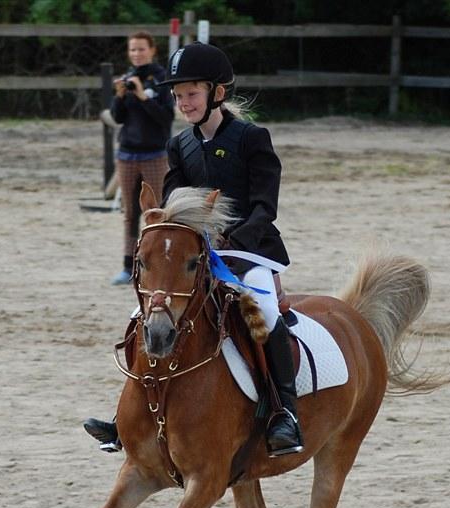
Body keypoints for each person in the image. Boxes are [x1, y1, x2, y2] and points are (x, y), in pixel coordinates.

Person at [85, 42, 303, 456]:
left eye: (192, 94)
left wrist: (235, 239)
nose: (184, 103)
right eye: (178, 95)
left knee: (266, 313)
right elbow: (172, 206)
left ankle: (285, 413)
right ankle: (125, 419)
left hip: (250, 252)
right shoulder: (179, 146)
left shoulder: (251, 138)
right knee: (144, 316)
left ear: (216, 93)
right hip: (195, 257)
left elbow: (265, 207)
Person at [109, 31, 173, 285]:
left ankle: (158, 265)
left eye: (141, 49)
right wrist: (119, 96)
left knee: (156, 211)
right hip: (127, 154)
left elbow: (166, 117)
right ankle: (129, 265)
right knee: (130, 212)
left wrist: (144, 96)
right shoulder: (128, 78)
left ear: (152, 50)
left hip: (154, 154)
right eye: (132, 49)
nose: (136, 54)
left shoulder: (161, 78)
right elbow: (117, 117)